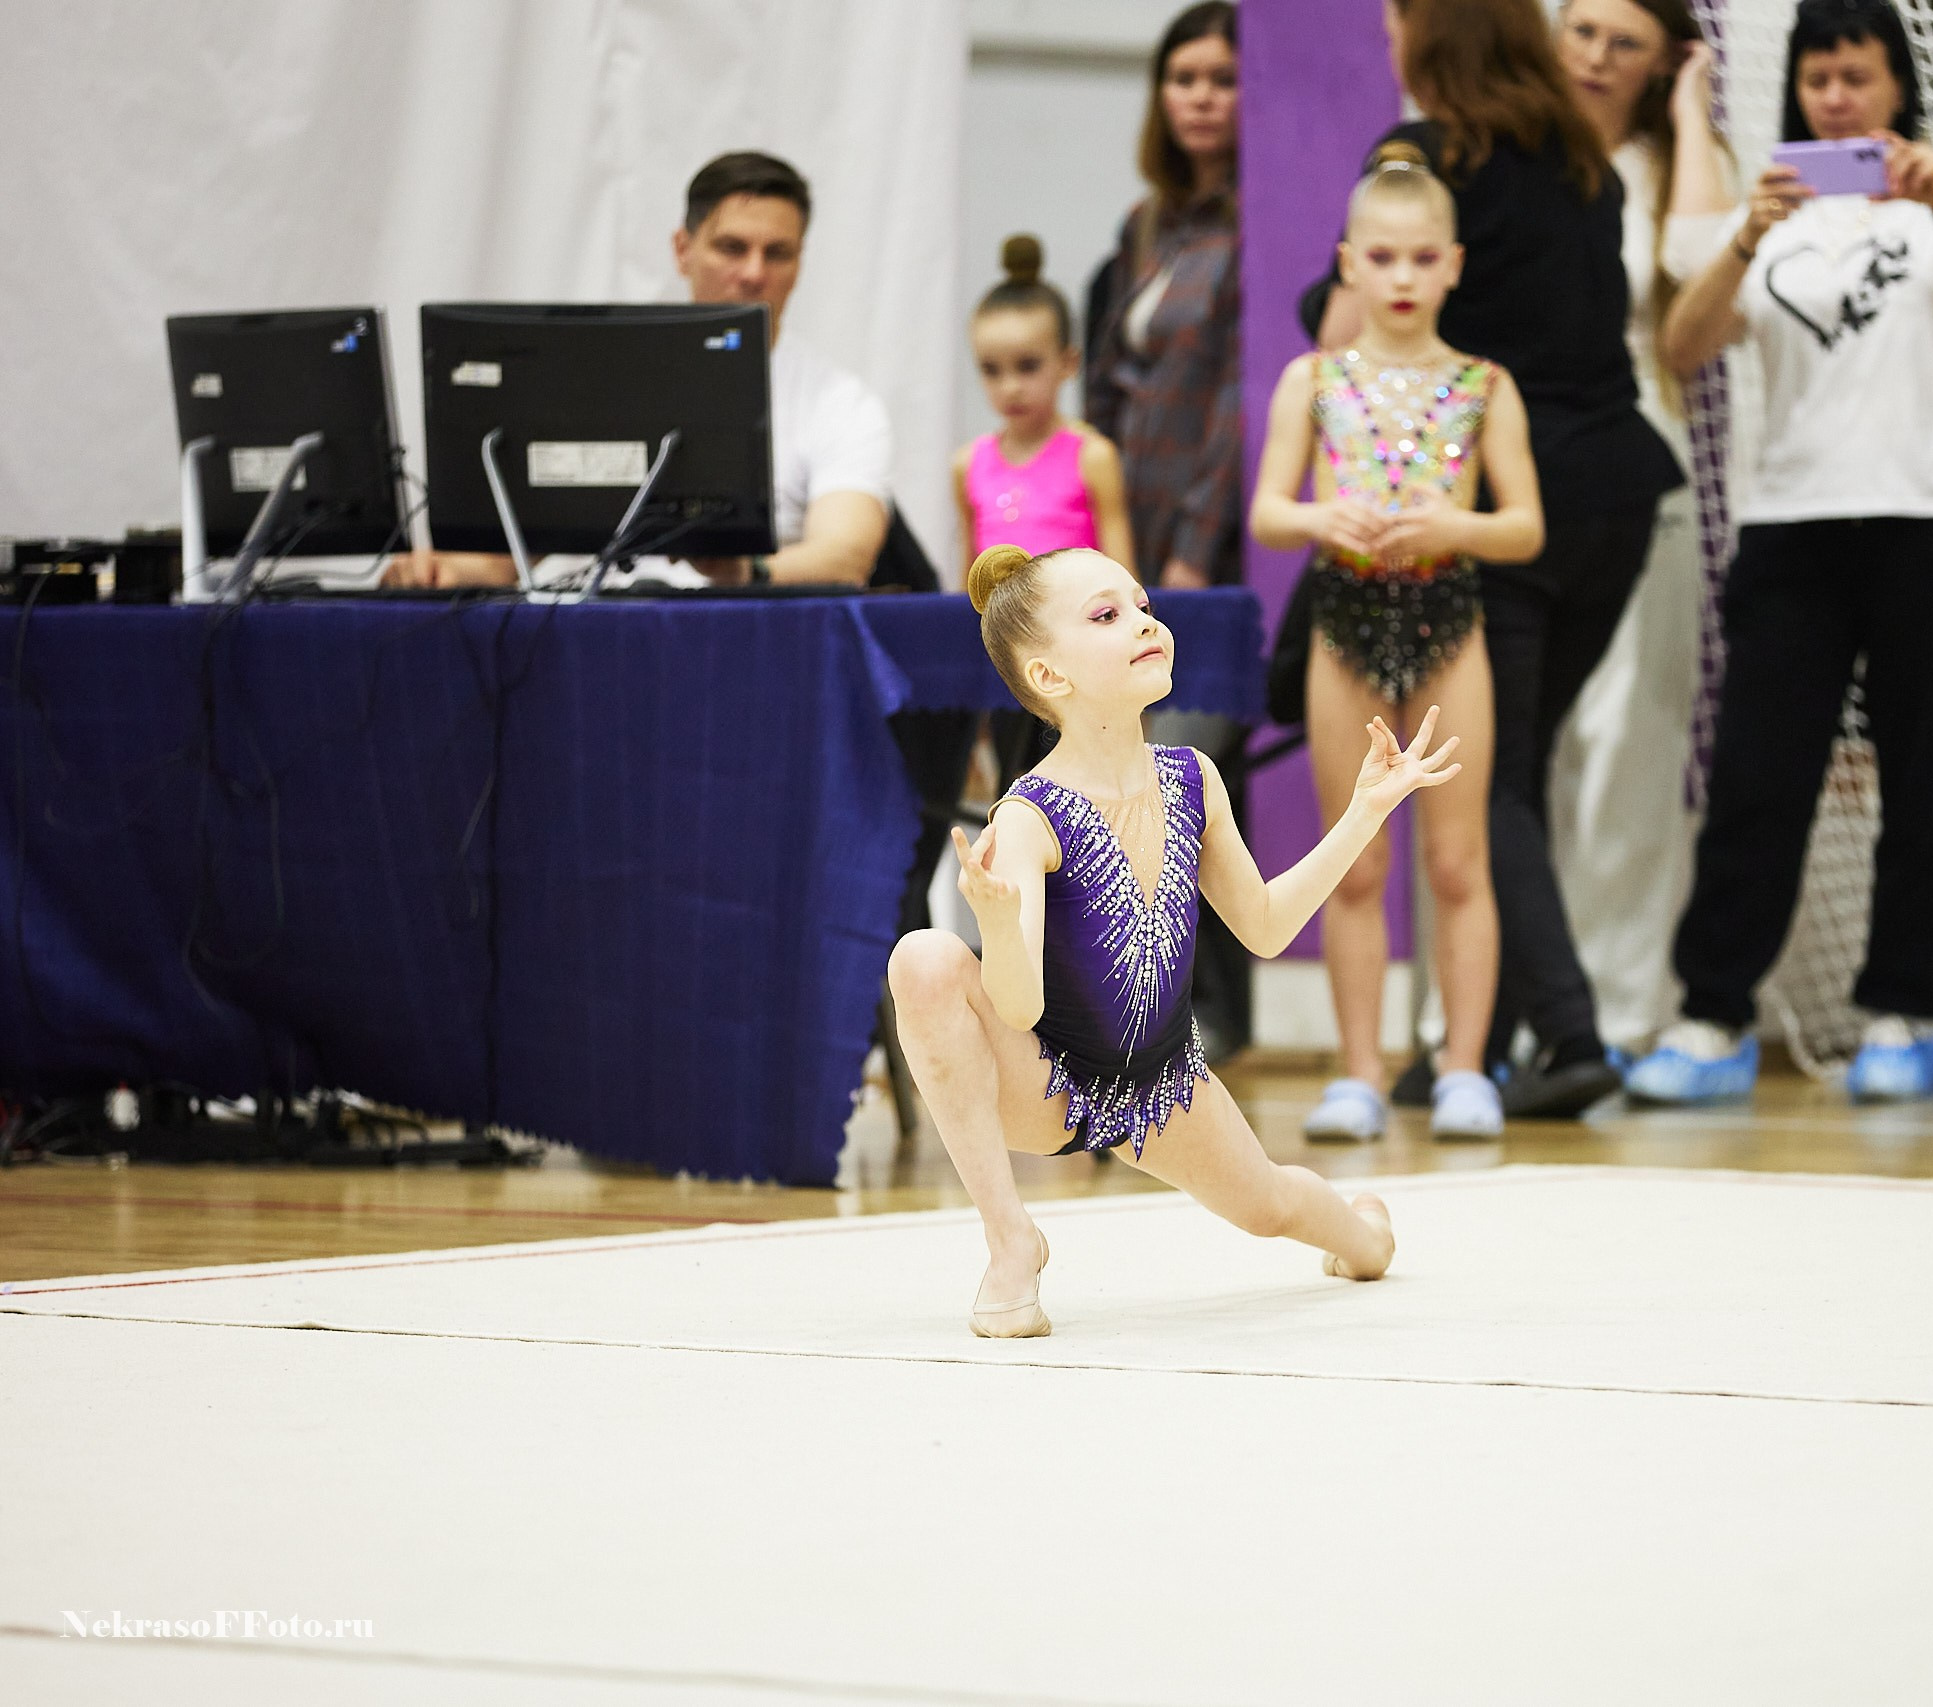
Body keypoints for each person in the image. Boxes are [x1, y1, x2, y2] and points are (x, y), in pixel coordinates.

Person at [1623, 0, 1933, 1106]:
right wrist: (1751, 232)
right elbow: (1682, 347)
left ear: (1897, 83)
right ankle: (1712, 1016)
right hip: (1792, 527)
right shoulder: (1769, 201)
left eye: (1856, 75)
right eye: (1818, 77)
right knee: (1757, 779)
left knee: (1922, 784)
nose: (1836, 96)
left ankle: (1901, 1016)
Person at [887, 542, 1457, 1335]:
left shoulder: (1193, 778)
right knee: (923, 957)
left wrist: (1364, 811)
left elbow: (1263, 925)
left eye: (1143, 605)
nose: (1145, 622)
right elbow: (1017, 1009)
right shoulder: (1029, 814)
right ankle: (1010, 1238)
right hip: (1045, 1081)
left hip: (1165, 1084)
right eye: (1108, 615)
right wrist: (992, 924)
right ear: (1051, 676)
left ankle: (1364, 1233)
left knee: (1270, 1204)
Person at [1305, 0, 1685, 1119]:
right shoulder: (1585, 161)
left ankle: (1561, 1036)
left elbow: (1343, 337)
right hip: (1615, 494)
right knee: (1505, 776)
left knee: (1492, 780)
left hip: (1491, 504)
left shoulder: (1425, 159)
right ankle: (1474, 1045)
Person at [1250, 152, 1539, 1142]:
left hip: (1451, 622)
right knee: (1357, 864)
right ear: (1349, 265)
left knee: (1459, 861)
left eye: (1423, 258)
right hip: (1348, 624)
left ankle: (1463, 1067)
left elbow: (1526, 527)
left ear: (1454, 264)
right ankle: (1360, 1073)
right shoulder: (1315, 379)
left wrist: (1455, 527)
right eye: (1383, 257)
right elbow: (1269, 512)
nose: (1405, 277)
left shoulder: (1482, 383)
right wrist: (1328, 515)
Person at [391, 150, 895, 590]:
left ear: (800, 262)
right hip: (603, 636)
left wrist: (749, 572)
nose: (754, 273)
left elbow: (845, 555)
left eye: (778, 253)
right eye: (732, 247)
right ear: (683, 249)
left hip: (751, 645)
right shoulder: (595, 378)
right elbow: (509, 554)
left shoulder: (840, 403)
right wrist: (441, 572)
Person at [1545, 0, 1737, 1051]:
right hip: (1510, 470)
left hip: (1644, 467)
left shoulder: (1676, 170)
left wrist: (1691, 114)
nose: (1596, 58)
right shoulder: (1511, 154)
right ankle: (1500, 1009)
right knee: (1516, 747)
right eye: (1581, 31)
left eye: (1626, 43)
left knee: (1632, 737)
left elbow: (1703, 290)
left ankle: (1615, 1011)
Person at [1085, 1, 1241, 591]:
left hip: (1209, 531)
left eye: (1224, 80)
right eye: (1183, 79)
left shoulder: (1260, 228)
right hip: (1127, 513)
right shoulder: (1144, 223)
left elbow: (1238, 399)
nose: (1201, 97)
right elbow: (1105, 381)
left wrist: (1195, 551)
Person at [953, 235, 1135, 568]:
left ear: (1068, 363)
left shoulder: (1093, 458)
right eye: (991, 370)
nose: (1010, 387)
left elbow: (1125, 580)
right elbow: (969, 586)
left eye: (1027, 366)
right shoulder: (967, 464)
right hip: (998, 621)